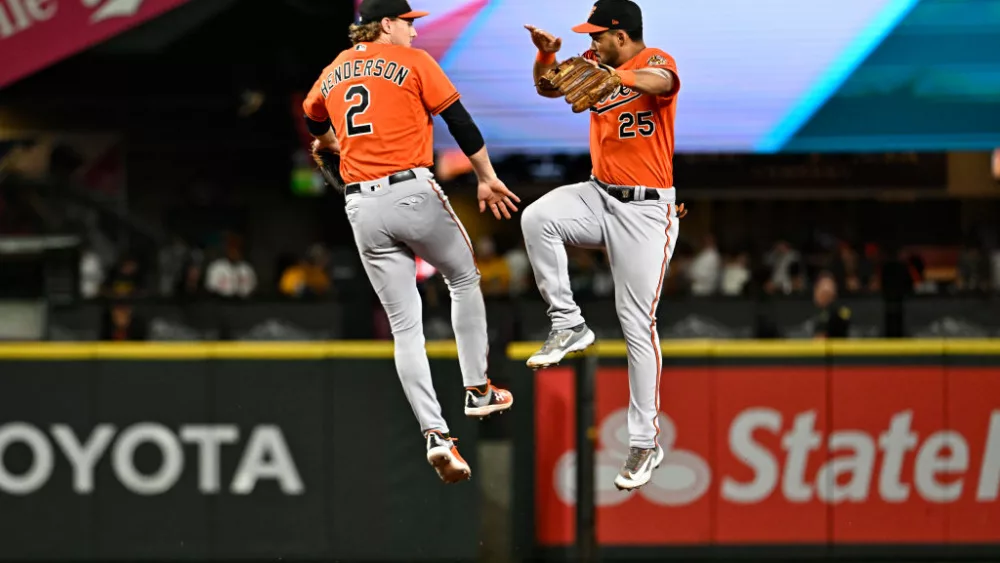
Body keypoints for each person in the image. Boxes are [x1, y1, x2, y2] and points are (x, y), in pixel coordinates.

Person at [301, 0, 519, 485]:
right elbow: (459, 121)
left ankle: (435, 435)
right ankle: (478, 390)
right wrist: (486, 176)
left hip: (360, 206)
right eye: (408, 23)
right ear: (385, 25)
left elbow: (312, 116)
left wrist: (329, 141)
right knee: (463, 277)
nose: (414, 32)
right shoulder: (413, 62)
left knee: (405, 327)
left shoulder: (335, 67)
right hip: (410, 190)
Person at [523, 0, 683, 491]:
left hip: (645, 209)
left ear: (621, 34)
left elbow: (663, 84)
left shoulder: (654, 60)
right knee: (538, 218)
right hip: (598, 193)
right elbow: (546, 88)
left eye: (597, 36)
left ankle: (643, 441)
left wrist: (622, 81)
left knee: (637, 323)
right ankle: (568, 324)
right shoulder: (597, 64)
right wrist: (547, 58)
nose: (589, 44)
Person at [812, 273, 851, 339]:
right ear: (816, 292)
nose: (826, 298)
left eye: (828, 295)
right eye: (823, 294)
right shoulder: (805, 309)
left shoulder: (837, 315)